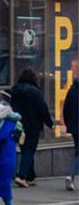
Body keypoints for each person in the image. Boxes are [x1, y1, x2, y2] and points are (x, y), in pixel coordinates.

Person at [8, 68, 52, 188]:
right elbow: (42, 108)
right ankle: (21, 176)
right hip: (33, 125)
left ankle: (30, 177)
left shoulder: (15, 90)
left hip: (18, 125)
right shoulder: (34, 92)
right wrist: (50, 123)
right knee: (29, 150)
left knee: (25, 149)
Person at [61, 64, 77, 192]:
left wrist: (68, 124)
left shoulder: (71, 91)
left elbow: (65, 110)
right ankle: (70, 175)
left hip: (74, 127)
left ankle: (70, 176)